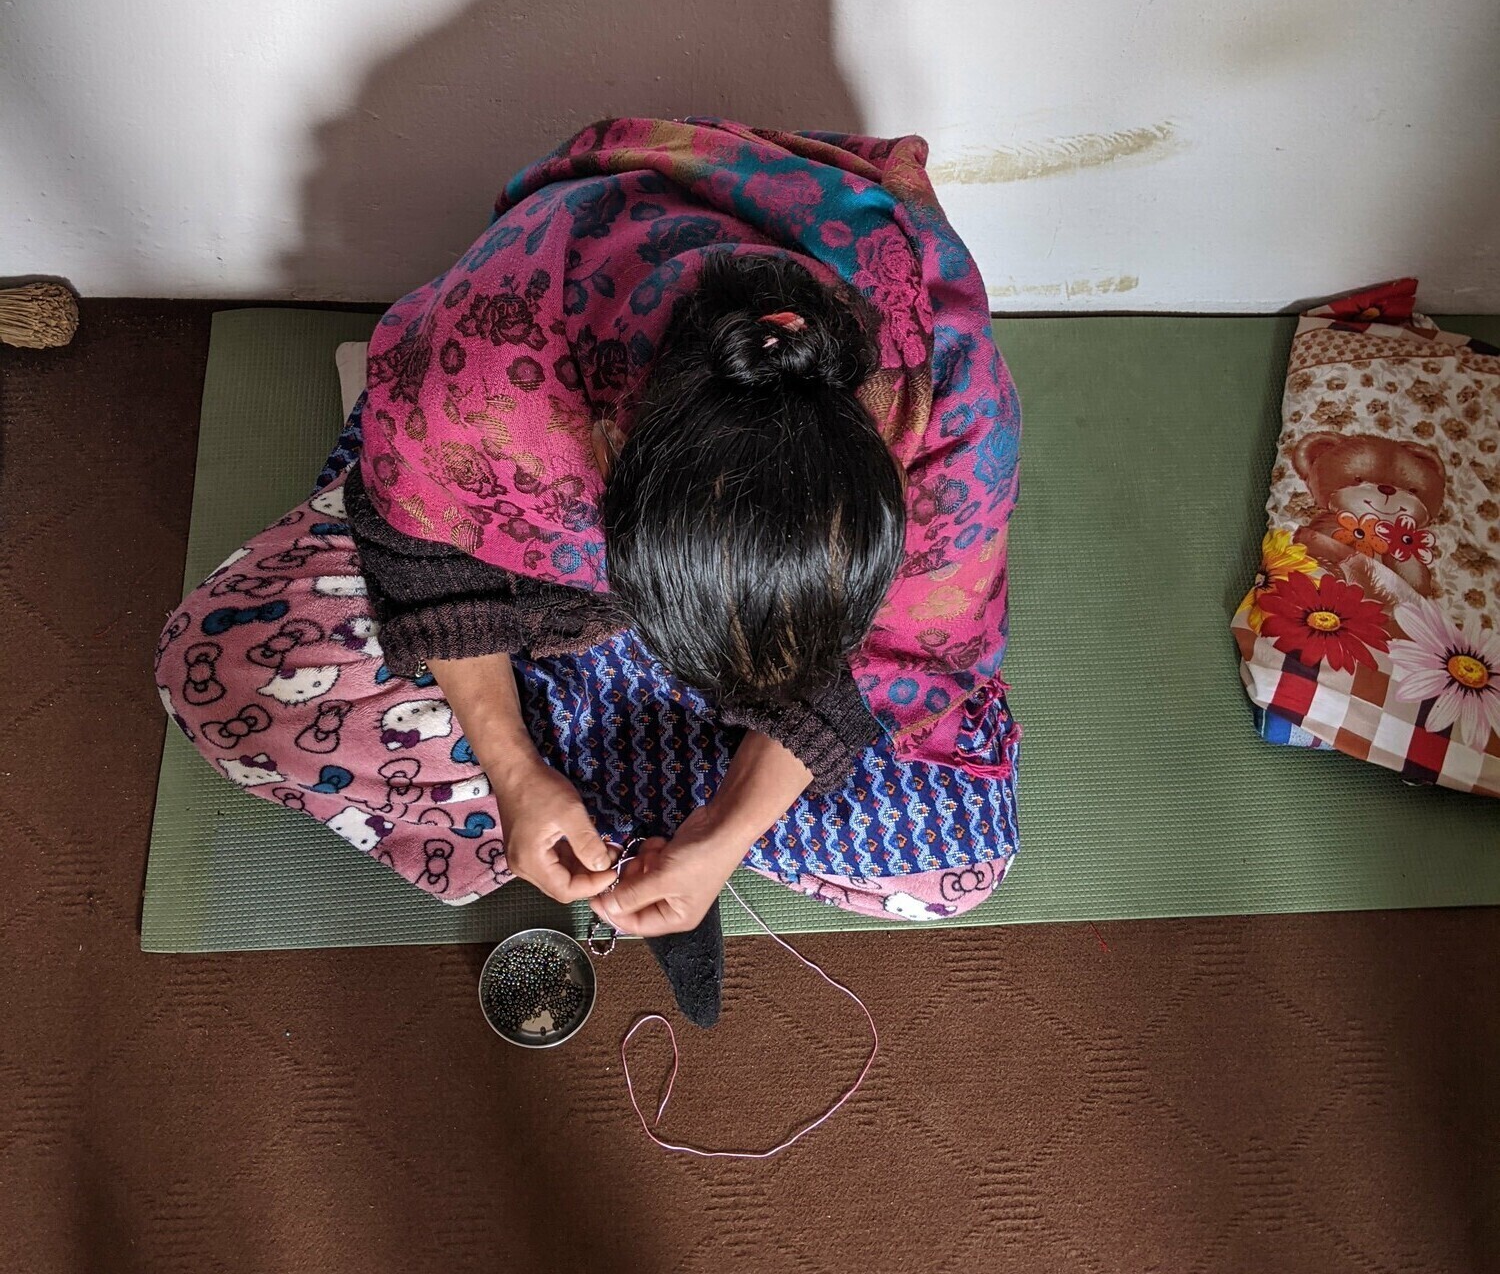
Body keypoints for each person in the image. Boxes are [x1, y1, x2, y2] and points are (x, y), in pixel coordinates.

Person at [156, 118, 1022, 1025]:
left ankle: (597, 775)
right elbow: (416, 542)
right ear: (605, 453)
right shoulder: (486, 373)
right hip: (546, 571)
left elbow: (908, 662)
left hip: (697, 601)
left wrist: (723, 839)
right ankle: (588, 772)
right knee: (212, 668)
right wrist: (514, 770)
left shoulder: (952, 408)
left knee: (958, 865)